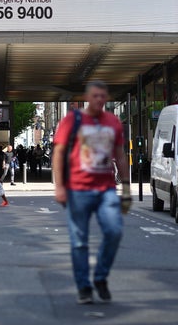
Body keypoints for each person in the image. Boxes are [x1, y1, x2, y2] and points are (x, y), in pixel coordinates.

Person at [51, 81, 130, 304]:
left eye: (103, 96)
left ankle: (101, 277)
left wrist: (125, 187)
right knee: (79, 241)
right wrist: (59, 186)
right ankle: (84, 287)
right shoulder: (72, 120)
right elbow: (58, 152)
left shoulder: (113, 122)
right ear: (87, 97)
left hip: (106, 189)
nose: (99, 100)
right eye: (95, 96)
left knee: (114, 231)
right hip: (77, 189)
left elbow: (120, 155)